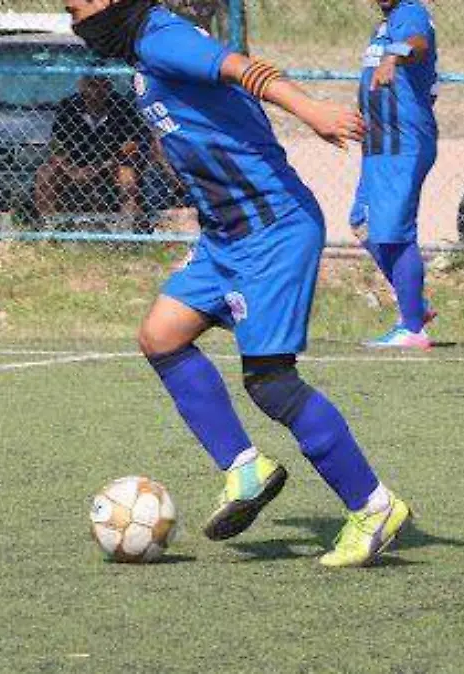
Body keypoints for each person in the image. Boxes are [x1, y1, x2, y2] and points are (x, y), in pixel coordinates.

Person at [66, 0, 411, 567]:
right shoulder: (145, 50)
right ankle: (244, 468)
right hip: (226, 235)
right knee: (161, 336)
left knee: (271, 383)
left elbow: (241, 68)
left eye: (77, 6)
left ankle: (373, 507)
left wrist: (312, 110)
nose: (75, 19)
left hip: (269, 228)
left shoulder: (159, 38)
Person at [350, 0, 438, 349]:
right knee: (362, 222)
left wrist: (393, 56)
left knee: (393, 232)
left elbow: (418, 45)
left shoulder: (410, 14)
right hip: (379, 143)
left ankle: (413, 329)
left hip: (403, 143)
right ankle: (414, 303)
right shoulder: (384, 25)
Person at [34, 74, 150, 226]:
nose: (97, 91)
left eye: (102, 85)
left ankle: (126, 228)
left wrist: (104, 165)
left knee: (127, 176)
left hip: (112, 162)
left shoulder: (122, 107)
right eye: (92, 85)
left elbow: (131, 143)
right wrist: (71, 169)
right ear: (82, 86)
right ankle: (49, 225)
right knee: (45, 173)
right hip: (75, 163)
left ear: (109, 87)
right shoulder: (69, 106)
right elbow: (58, 145)